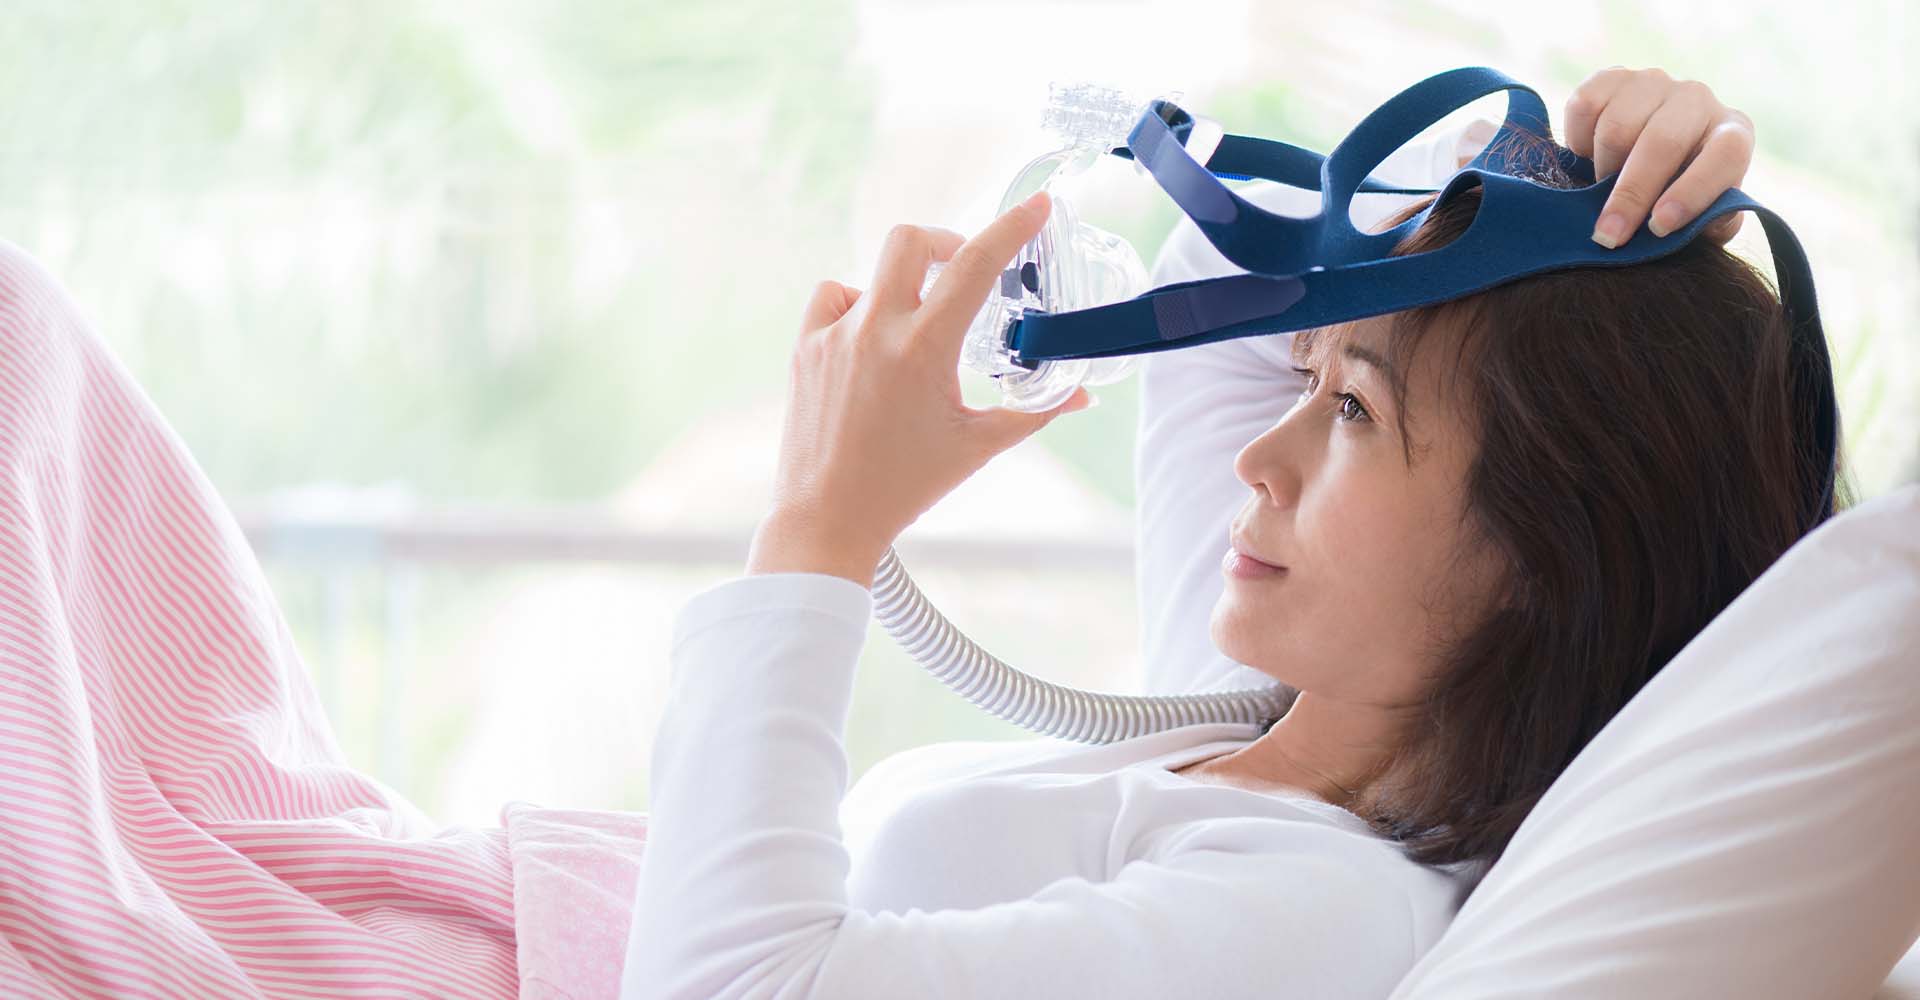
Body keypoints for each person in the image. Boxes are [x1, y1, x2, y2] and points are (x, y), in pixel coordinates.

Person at [621, 66, 1837, 999]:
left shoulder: (1321, 904)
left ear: (1547, 546)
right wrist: (1532, 181)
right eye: (1304, 378)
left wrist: (819, 528)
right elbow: (1221, 251)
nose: (1259, 454)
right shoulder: (1249, 712)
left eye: (1351, 408)